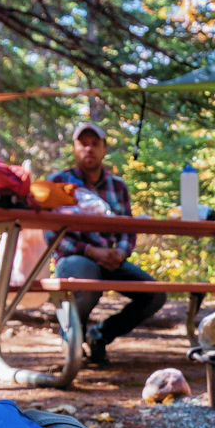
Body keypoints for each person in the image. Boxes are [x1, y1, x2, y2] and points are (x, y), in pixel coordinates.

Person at [49, 121, 165, 367]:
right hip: (75, 258)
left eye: (95, 144)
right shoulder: (57, 182)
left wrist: (120, 254)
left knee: (155, 294)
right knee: (86, 278)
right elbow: (49, 233)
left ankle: (99, 337)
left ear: (104, 150)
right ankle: (71, 341)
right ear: (74, 148)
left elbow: (128, 229)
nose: (89, 149)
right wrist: (91, 251)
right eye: (83, 144)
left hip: (111, 261)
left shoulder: (118, 187)